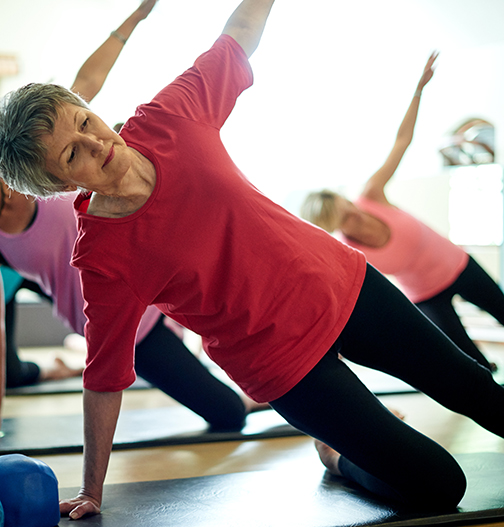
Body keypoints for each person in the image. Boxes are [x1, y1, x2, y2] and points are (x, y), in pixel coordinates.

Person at [2, 0, 504, 520]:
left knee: (476, 389)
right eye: (71, 154)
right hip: (282, 366)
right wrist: (92, 489)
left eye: (85, 120)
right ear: (60, 185)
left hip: (341, 286)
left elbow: (236, 35)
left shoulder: (170, 117)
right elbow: (104, 375)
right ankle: (335, 455)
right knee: (440, 484)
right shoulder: (103, 258)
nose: (95, 141)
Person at [0, 0, 265, 430]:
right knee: (228, 414)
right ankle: (257, 398)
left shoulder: (43, 164)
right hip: (128, 324)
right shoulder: (17, 222)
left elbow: (86, 83)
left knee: (260, 336)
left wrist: (138, 16)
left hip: (162, 272)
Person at [301, 52, 504, 373]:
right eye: (345, 218)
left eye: (349, 208)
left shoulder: (371, 194)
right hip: (425, 296)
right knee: (470, 364)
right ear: (334, 225)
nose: (355, 215)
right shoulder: (349, 250)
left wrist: (419, 90)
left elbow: (402, 142)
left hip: (458, 264)